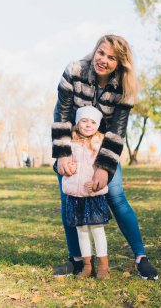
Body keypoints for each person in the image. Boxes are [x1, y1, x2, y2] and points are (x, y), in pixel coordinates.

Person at [52, 34, 158, 280]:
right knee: (69, 197)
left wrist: (104, 168)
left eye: (112, 58)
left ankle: (141, 257)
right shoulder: (74, 71)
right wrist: (63, 155)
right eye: (101, 53)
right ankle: (77, 260)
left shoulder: (125, 87)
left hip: (102, 147)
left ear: (120, 63)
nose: (104, 60)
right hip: (73, 144)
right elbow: (62, 114)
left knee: (116, 196)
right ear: (95, 51)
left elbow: (117, 130)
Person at [62, 105, 111, 280]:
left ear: (98, 125)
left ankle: (103, 266)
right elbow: (61, 165)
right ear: (77, 123)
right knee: (82, 231)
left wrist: (96, 185)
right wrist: (67, 167)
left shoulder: (101, 143)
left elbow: (104, 168)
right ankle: (87, 266)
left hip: (94, 196)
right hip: (76, 196)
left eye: (92, 122)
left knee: (97, 230)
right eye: (84, 121)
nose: (88, 125)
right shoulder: (70, 142)